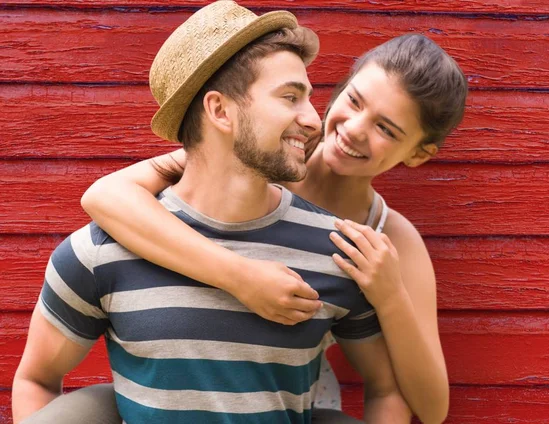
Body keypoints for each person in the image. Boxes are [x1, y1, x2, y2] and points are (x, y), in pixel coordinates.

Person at [12, 1, 415, 423]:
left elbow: (387, 389)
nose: (314, 120)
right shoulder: (98, 252)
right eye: (290, 97)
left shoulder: (337, 251)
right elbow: (36, 381)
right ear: (220, 111)